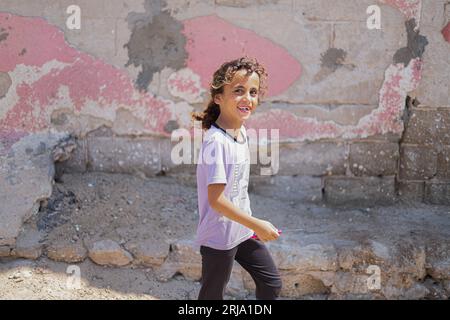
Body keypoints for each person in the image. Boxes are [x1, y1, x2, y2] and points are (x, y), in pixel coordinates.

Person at [191, 56, 282, 300]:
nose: (248, 98)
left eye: (253, 92)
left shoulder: (240, 131)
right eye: (239, 91)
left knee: (271, 284)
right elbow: (217, 200)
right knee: (212, 297)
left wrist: (249, 224)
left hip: (240, 229)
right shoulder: (215, 142)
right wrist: (257, 224)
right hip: (219, 236)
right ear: (218, 97)